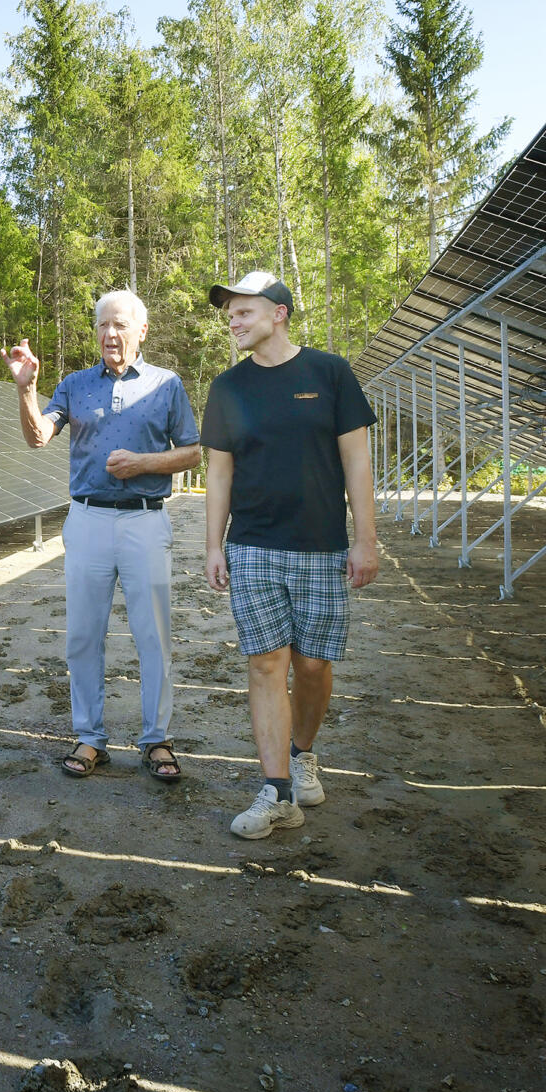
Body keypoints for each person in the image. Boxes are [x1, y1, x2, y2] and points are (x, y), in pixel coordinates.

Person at [199, 272, 379, 838]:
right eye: (229, 313)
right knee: (265, 664)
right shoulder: (227, 388)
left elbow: (357, 462)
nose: (233, 320)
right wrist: (212, 546)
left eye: (244, 311)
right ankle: (277, 791)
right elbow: (218, 472)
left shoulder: (330, 373)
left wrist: (365, 539)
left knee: (312, 666)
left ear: (279, 313)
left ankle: (303, 753)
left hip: (320, 547)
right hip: (252, 548)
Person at [3, 291, 202, 782]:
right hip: (87, 519)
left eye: (119, 325)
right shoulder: (74, 385)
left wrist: (143, 464)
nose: (110, 335)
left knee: (153, 635)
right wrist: (26, 389)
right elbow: (37, 437)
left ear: (142, 331)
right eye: (102, 326)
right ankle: (90, 737)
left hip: (145, 519)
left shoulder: (166, 385)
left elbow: (194, 452)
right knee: (83, 635)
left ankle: (156, 739)